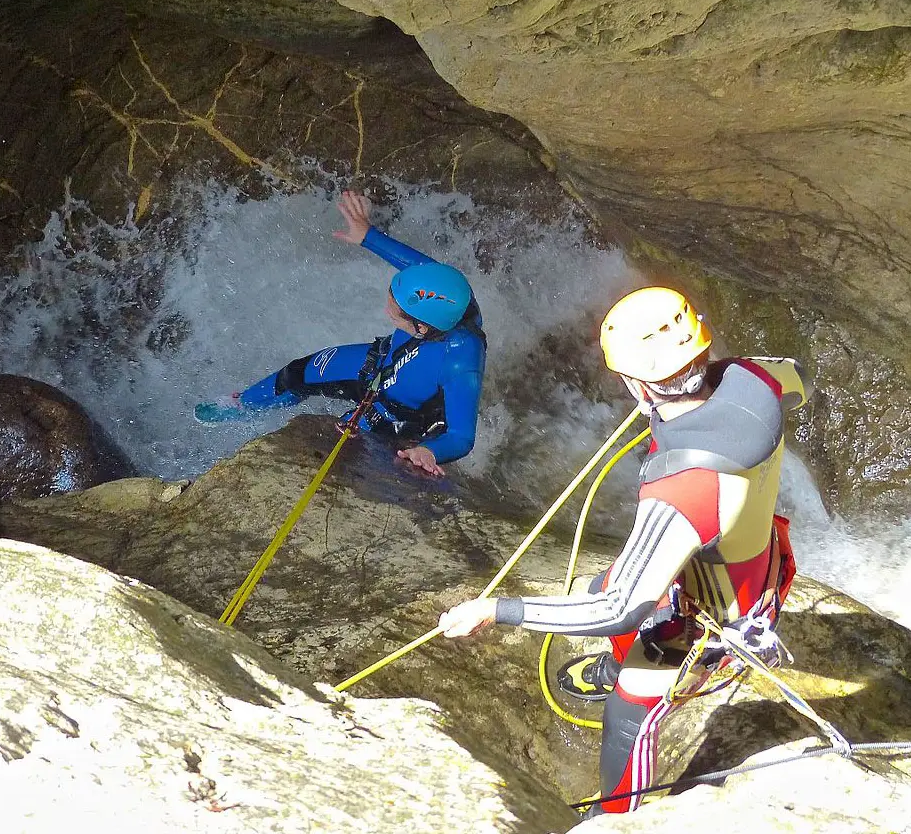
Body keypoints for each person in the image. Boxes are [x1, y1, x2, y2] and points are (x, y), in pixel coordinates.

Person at [437, 286, 811, 815]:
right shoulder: (756, 376)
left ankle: (615, 814)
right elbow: (801, 383)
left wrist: (495, 610)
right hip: (749, 554)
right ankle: (616, 673)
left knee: (627, 710)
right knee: (601, 582)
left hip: (721, 608)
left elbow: (620, 612)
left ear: (636, 382)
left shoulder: (686, 485)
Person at [195, 191, 486, 478]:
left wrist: (431, 451)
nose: (387, 312)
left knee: (334, 453)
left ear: (421, 327)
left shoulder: (460, 363)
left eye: (395, 312)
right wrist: (367, 235)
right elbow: (420, 268)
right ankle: (243, 405)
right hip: (380, 362)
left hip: (394, 415)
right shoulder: (454, 293)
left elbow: (462, 436)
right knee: (298, 373)